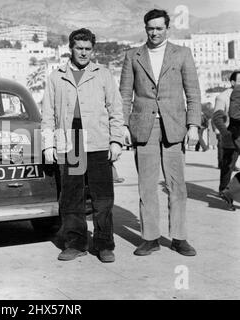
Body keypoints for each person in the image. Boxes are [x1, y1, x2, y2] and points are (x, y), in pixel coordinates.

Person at [120, 9, 201, 257]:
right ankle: (150, 238)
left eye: (159, 28)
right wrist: (123, 126)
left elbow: (193, 94)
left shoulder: (182, 54)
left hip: (174, 126)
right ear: (145, 28)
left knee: (177, 186)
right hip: (144, 128)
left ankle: (179, 237)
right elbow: (124, 95)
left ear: (167, 28)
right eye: (150, 28)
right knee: (146, 186)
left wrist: (194, 126)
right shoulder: (132, 56)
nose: (154, 32)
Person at [41, 28, 124, 263]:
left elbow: (115, 110)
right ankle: (75, 243)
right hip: (71, 143)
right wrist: (49, 145)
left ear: (93, 50)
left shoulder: (103, 74)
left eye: (88, 49)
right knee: (72, 197)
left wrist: (116, 141)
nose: (84, 53)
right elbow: (48, 114)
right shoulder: (56, 76)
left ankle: (104, 244)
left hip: (98, 142)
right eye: (79, 48)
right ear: (71, 48)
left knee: (103, 198)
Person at [212, 71, 240, 196]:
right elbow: (217, 118)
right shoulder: (222, 97)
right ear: (233, 82)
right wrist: (224, 134)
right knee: (227, 167)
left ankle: (228, 192)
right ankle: (223, 190)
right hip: (229, 135)